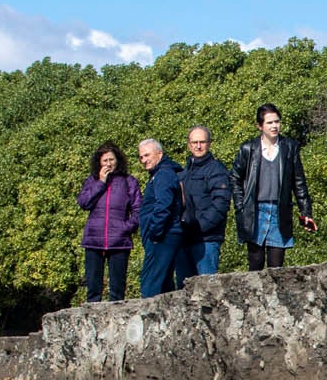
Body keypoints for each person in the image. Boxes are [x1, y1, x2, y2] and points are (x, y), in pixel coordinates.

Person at [231, 104, 315, 271]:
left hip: (279, 211)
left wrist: (306, 212)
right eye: (269, 123)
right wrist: (241, 205)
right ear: (260, 126)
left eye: (277, 122)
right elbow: (235, 178)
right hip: (255, 212)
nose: (274, 126)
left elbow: (299, 182)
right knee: (255, 264)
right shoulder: (248, 149)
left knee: (276, 268)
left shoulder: (289, 147)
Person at [77, 142, 140, 302]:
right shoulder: (92, 181)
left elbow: (138, 210)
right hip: (94, 241)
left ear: (118, 160)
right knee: (93, 289)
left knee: (118, 290)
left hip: (119, 241)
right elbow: (84, 203)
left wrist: (125, 228)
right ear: (99, 162)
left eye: (111, 160)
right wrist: (100, 183)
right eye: (105, 161)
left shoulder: (129, 181)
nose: (108, 164)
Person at [135, 139, 185, 297]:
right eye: (141, 157)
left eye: (147, 155)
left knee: (150, 285)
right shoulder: (158, 175)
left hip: (163, 235)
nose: (144, 160)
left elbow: (163, 205)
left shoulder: (163, 175)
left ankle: (149, 320)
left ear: (159, 154)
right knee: (164, 286)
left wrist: (155, 232)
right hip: (164, 235)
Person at [179, 125, 231, 277]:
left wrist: (199, 227)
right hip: (184, 240)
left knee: (206, 291)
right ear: (189, 145)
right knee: (183, 294)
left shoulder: (217, 170)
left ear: (209, 143)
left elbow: (221, 205)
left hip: (206, 240)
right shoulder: (183, 173)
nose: (198, 146)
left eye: (202, 142)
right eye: (194, 142)